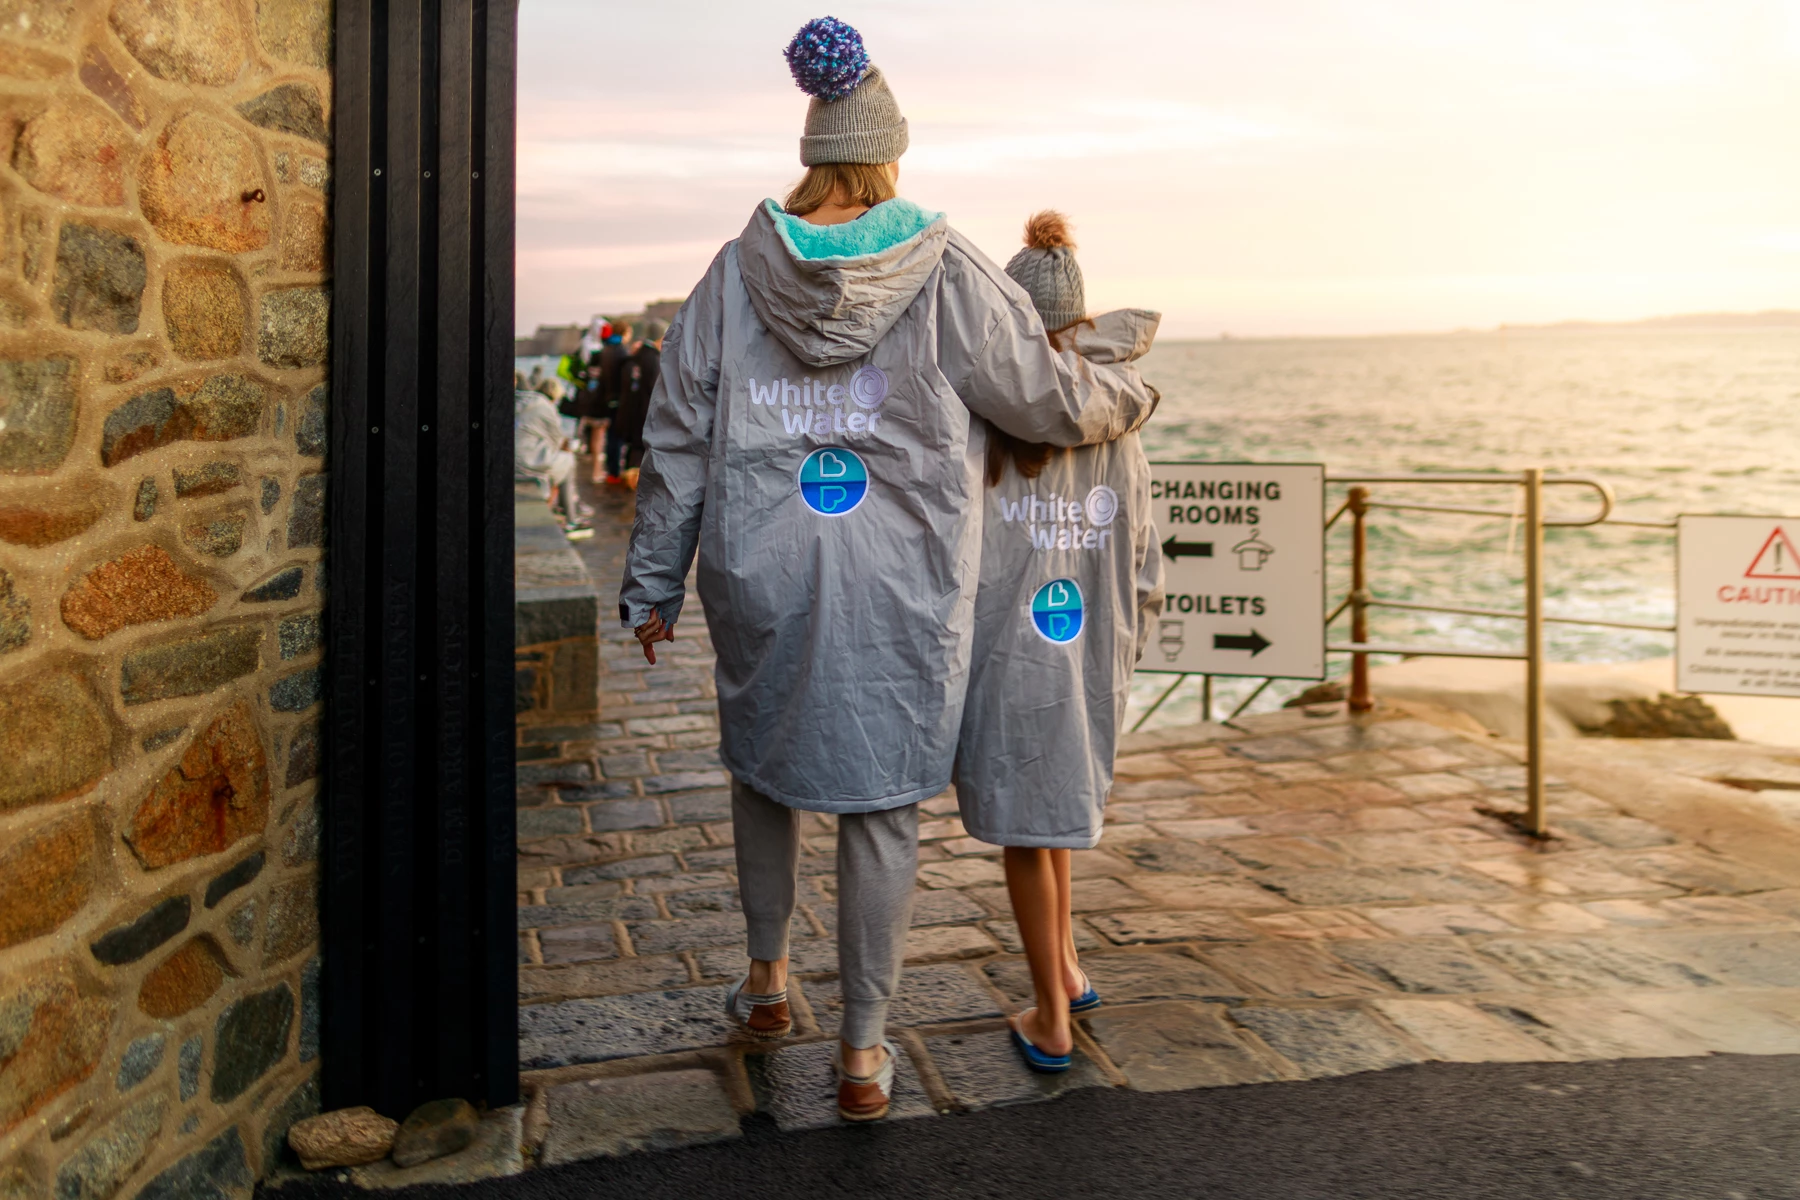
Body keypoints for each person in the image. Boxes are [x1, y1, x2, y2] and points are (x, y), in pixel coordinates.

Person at [619, 18, 1157, 1122]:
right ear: (888, 154)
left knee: (762, 770)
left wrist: (653, 583)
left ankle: (768, 987)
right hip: (904, 589)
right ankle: (863, 1053)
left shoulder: (732, 273)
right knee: (881, 807)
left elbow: (675, 432)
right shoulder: (951, 269)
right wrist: (1130, 397)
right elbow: (1043, 399)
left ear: (813, 154)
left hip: (760, 577)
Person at [954, 212, 1165, 1073]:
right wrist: (1130, 637)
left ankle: (1048, 1017)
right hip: (1087, 647)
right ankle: (1068, 971)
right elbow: (1143, 547)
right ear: (1082, 318)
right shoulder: (1122, 415)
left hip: (1010, 651)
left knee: (1024, 835)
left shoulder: (988, 412)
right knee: (1054, 822)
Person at [513, 387, 594, 539]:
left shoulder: (518, 404)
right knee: (568, 460)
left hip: (509, 460)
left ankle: (565, 510)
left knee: (561, 461)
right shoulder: (545, 408)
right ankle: (571, 518)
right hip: (528, 463)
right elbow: (559, 441)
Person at [611, 319, 665, 488]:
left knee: (632, 449)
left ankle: (628, 481)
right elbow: (655, 390)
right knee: (640, 451)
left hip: (629, 410)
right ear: (659, 337)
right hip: (644, 412)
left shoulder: (634, 356)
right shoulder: (653, 359)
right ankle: (635, 485)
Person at [593, 322, 634, 483]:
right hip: (619, 399)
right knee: (617, 437)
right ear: (625, 332)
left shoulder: (606, 349)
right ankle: (615, 473)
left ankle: (611, 472)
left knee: (611, 436)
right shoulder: (621, 352)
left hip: (607, 398)